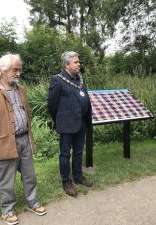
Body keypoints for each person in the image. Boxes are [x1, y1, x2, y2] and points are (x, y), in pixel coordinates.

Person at [0, 53, 46, 225]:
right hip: (4, 142)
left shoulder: (21, 89)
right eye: (15, 69)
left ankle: (33, 202)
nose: (18, 73)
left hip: (24, 140)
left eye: (19, 69)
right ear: (3, 70)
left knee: (29, 175)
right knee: (6, 180)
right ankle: (7, 211)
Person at [48, 51, 93, 197]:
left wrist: (87, 118)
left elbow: (85, 98)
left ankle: (78, 177)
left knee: (79, 152)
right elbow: (52, 105)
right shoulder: (57, 80)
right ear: (67, 65)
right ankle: (66, 181)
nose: (79, 64)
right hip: (66, 124)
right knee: (65, 154)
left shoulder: (79, 79)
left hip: (81, 122)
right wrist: (60, 119)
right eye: (76, 62)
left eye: (78, 62)